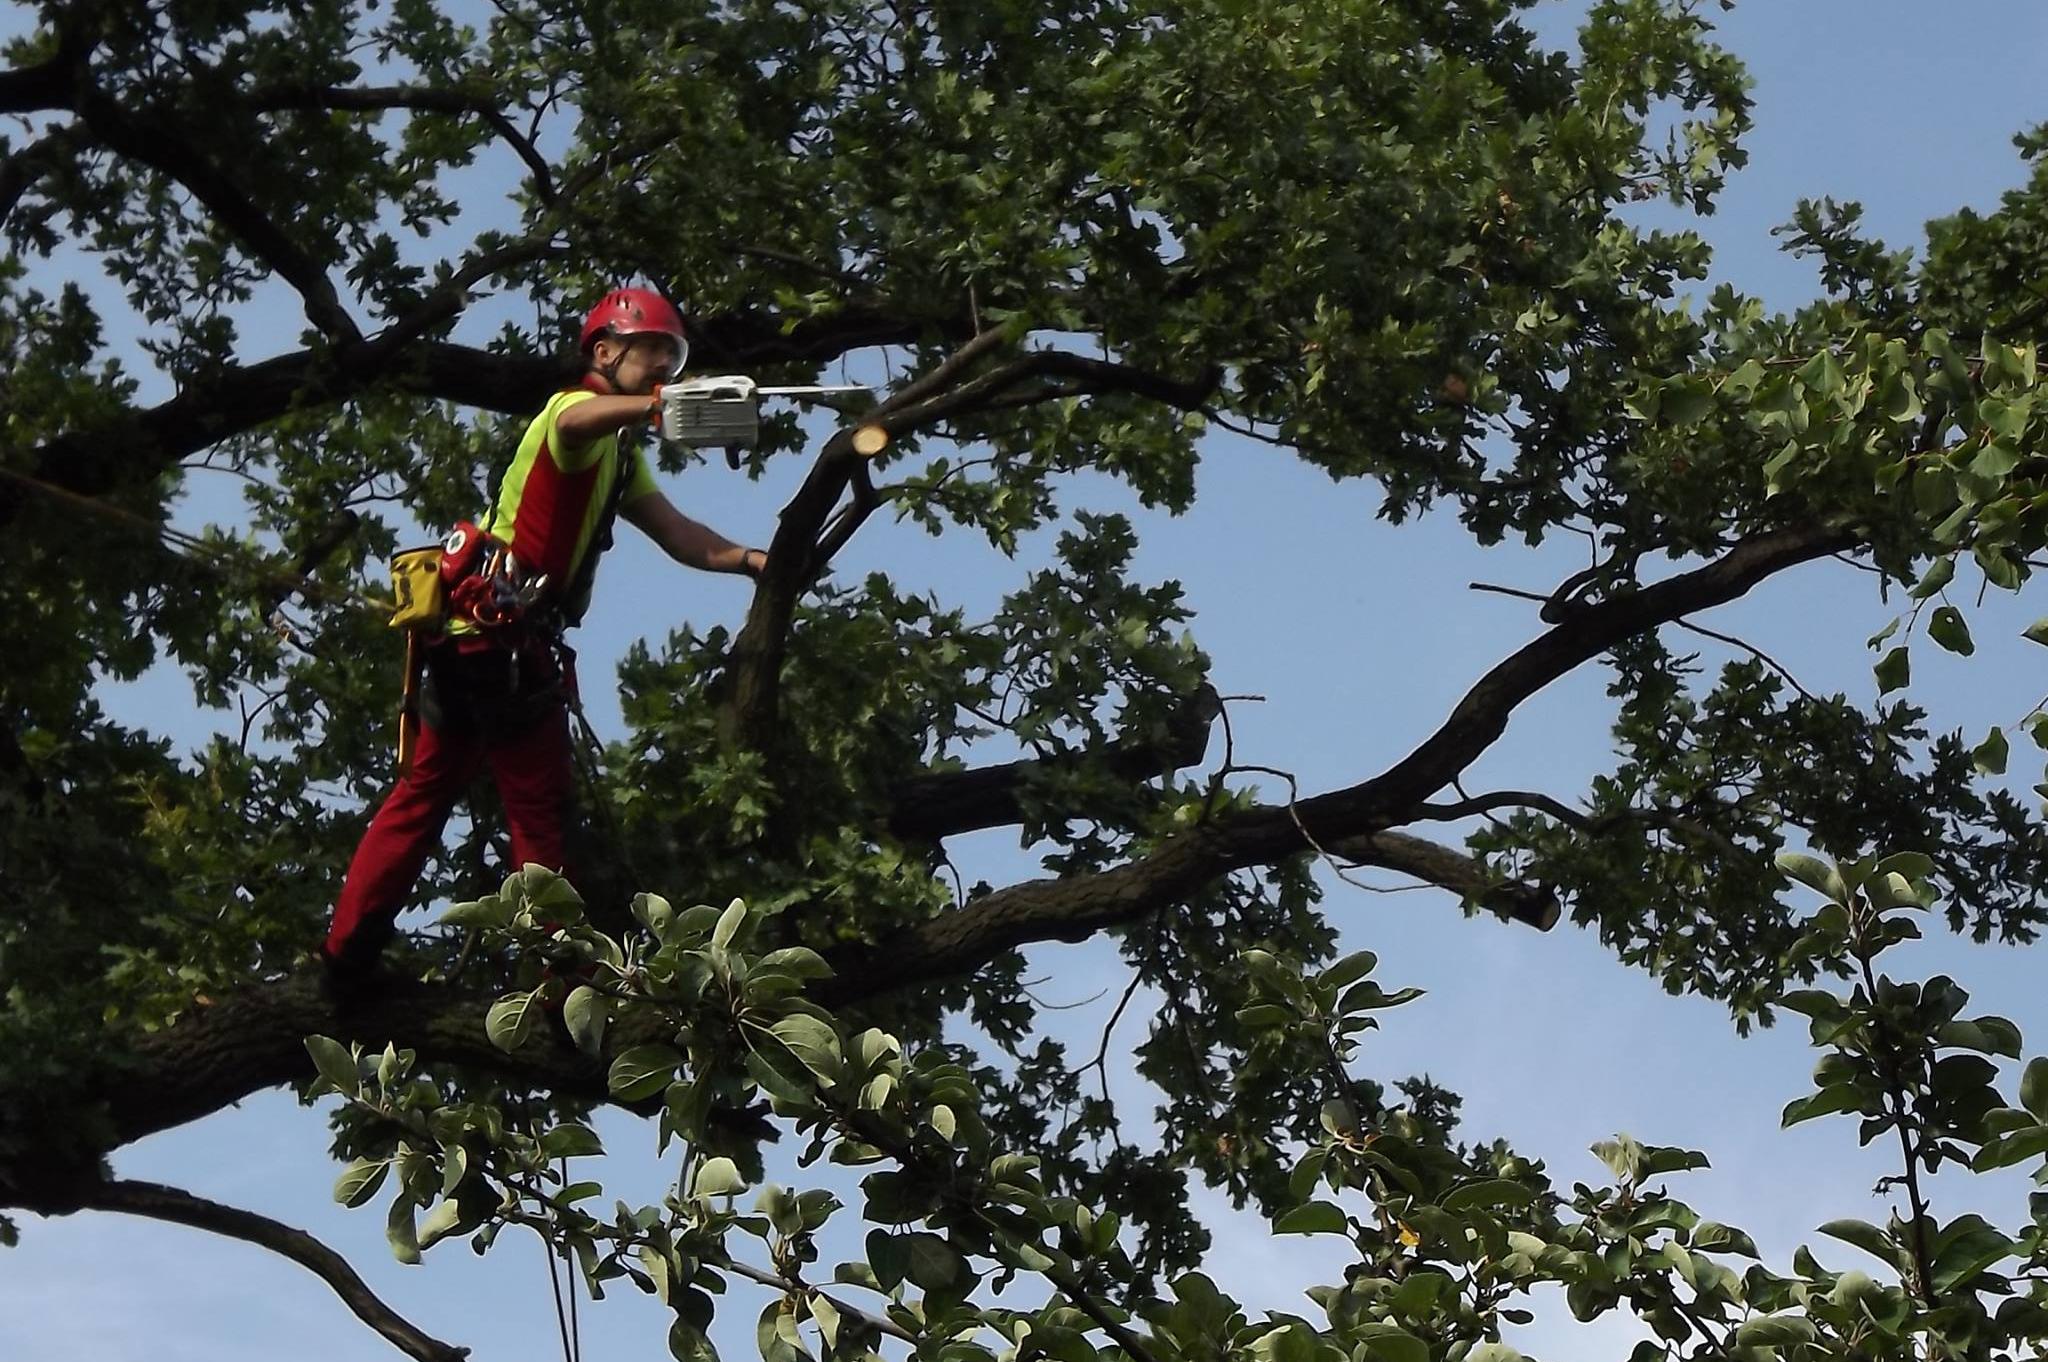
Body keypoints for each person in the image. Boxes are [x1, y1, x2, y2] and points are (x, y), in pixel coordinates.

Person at [321, 286, 766, 977]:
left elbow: (679, 535)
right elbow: (580, 421)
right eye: (650, 353)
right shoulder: (571, 413)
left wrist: (751, 560)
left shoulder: (620, 455)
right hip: (496, 638)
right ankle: (559, 983)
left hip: (478, 645)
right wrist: (656, 409)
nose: (661, 371)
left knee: (426, 791)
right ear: (604, 351)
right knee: (539, 813)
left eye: (669, 361)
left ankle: (345, 957)